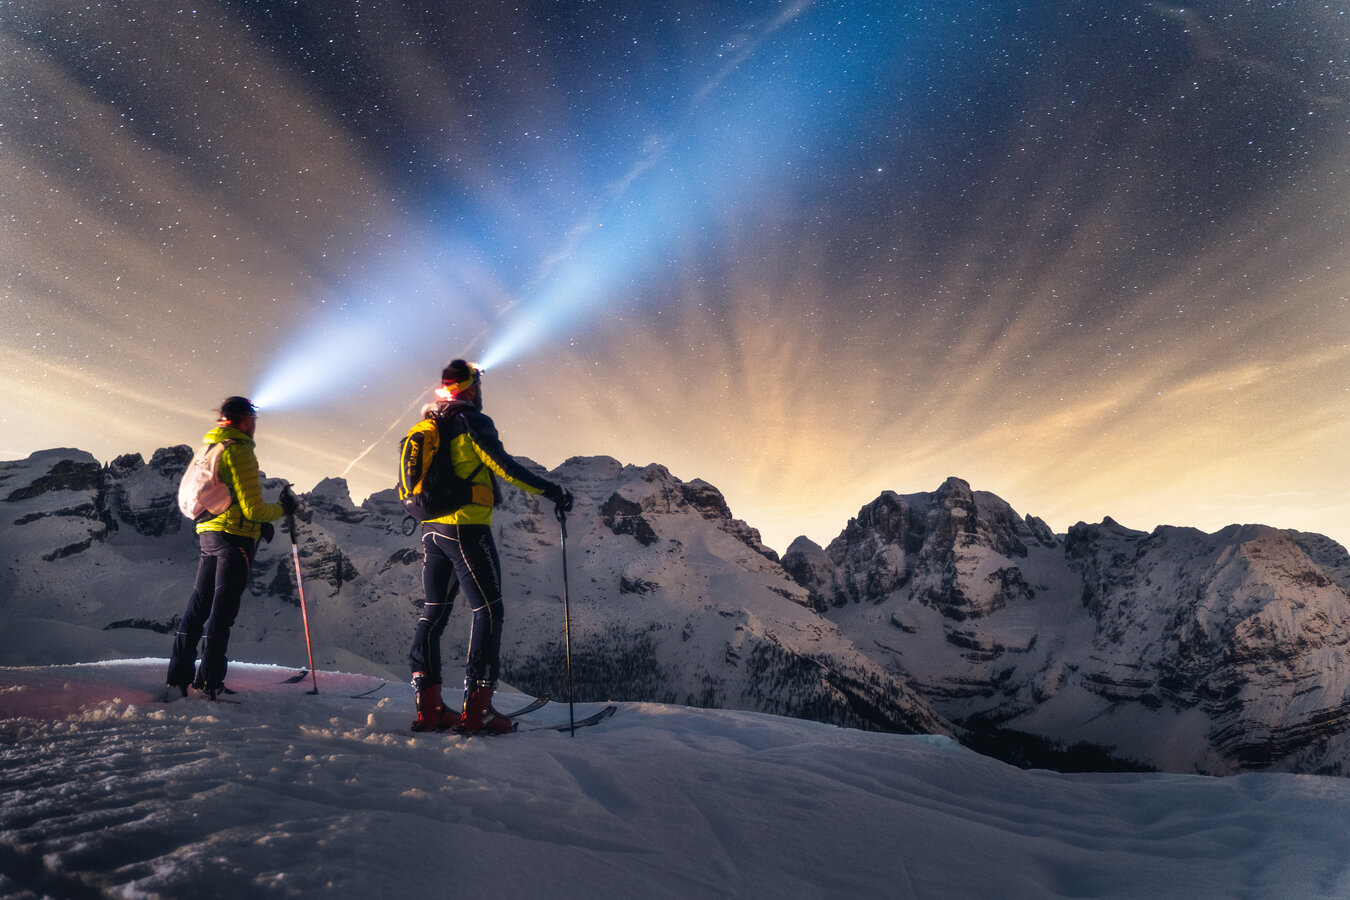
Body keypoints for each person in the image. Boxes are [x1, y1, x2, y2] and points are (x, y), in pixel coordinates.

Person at [400, 360, 572, 734]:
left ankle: (429, 709)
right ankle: (477, 711)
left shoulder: (428, 425)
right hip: (467, 530)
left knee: (433, 613)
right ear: (472, 387)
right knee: (489, 612)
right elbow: (504, 466)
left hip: (432, 530)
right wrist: (552, 491)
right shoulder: (471, 421)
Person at [166, 396, 296, 699]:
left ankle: (177, 679)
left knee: (198, 606)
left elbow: (229, 499)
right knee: (222, 613)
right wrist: (281, 509)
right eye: (253, 420)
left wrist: (257, 523)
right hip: (234, 541)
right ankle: (208, 683)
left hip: (208, 535)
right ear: (246, 421)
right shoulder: (239, 451)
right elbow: (252, 509)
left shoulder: (211, 448)